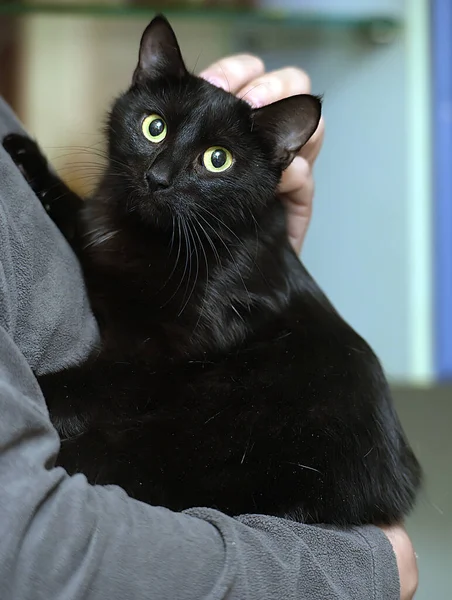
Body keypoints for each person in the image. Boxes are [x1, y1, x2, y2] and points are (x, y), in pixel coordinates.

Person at [0, 54, 418, 600]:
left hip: (300, 457)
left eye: (214, 159)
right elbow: (33, 546)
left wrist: (254, 263)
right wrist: (365, 571)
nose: (160, 172)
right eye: (154, 129)